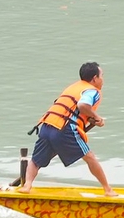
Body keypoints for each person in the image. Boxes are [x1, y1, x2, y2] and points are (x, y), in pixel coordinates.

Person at [23, 64, 111, 194]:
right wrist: (97, 116)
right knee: (89, 157)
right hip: (64, 128)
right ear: (94, 78)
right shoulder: (92, 91)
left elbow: (74, 111)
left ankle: (27, 186)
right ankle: (108, 190)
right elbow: (82, 105)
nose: (103, 79)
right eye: (102, 76)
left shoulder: (74, 87)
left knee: (36, 160)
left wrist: (92, 120)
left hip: (47, 124)